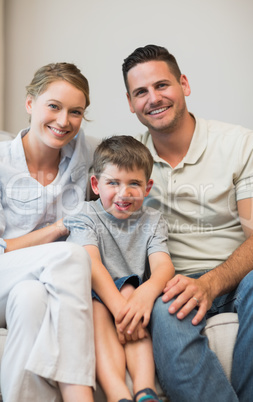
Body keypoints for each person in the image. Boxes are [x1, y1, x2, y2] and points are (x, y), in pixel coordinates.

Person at [121, 44, 253, 402]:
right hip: (173, 285)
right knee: (161, 305)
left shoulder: (240, 144)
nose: (153, 98)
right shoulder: (128, 163)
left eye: (162, 85)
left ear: (183, 84)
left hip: (240, 276)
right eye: (141, 92)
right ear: (130, 103)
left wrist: (210, 283)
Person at [0, 62, 96, 402]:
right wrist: (58, 230)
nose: (63, 121)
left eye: (75, 112)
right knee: (70, 254)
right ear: (30, 104)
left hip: (41, 285)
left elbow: (130, 163)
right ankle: (78, 393)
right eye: (53, 106)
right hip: (3, 275)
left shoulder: (85, 153)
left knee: (30, 300)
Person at [64, 135, 175, 402]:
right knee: (104, 305)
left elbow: (163, 265)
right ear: (96, 184)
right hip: (95, 292)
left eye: (133, 184)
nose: (123, 193)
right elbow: (91, 263)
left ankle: (145, 391)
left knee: (130, 291)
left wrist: (145, 294)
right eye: (113, 183)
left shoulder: (152, 219)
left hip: (131, 295)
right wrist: (120, 307)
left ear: (147, 187)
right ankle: (118, 395)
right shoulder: (84, 214)